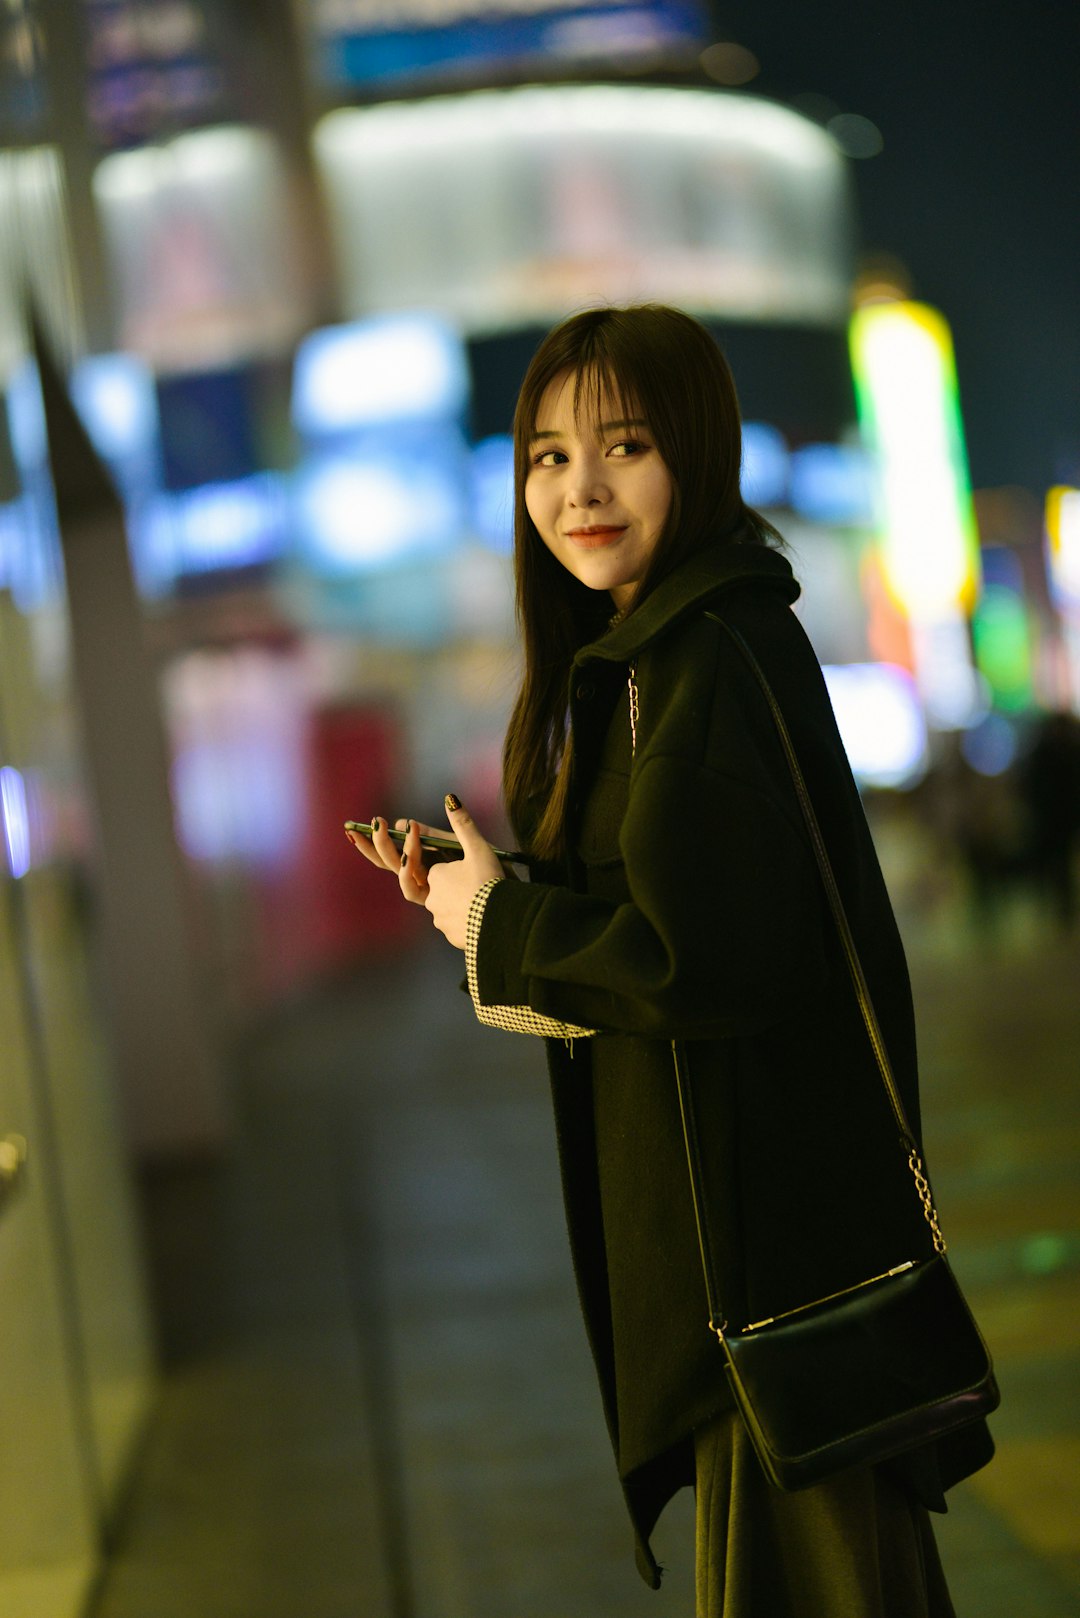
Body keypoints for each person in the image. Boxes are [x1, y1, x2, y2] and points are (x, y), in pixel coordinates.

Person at [347, 304, 994, 1616]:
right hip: (754, 1261)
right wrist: (501, 899)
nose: (577, 488)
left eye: (623, 445)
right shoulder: (667, 652)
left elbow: (697, 961)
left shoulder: (702, 652)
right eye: (544, 456)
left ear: (697, 451)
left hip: (758, 1274)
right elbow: (696, 917)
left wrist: (501, 924)